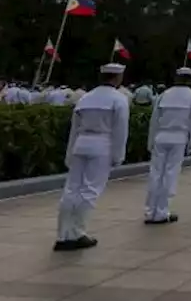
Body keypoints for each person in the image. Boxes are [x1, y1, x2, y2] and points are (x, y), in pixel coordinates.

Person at [55, 62, 130, 250]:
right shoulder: (118, 99)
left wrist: (69, 153)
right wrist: (118, 155)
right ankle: (78, 233)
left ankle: (63, 234)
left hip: (81, 143)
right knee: (90, 190)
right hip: (102, 145)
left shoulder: (85, 98)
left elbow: (74, 128)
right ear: (118, 77)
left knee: (71, 189)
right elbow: (120, 131)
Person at [144, 66, 191, 224]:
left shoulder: (164, 95)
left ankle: (150, 211)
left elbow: (154, 121)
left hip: (160, 137)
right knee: (170, 174)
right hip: (178, 137)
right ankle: (162, 211)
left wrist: (150, 141)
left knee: (155, 173)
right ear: (190, 79)